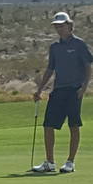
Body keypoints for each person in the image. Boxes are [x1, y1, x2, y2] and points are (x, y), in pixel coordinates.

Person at [32, 11, 93, 173]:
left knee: (73, 125)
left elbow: (88, 67)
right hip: (58, 89)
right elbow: (50, 69)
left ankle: (70, 162)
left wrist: (84, 87)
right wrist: (39, 90)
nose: (59, 29)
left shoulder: (79, 45)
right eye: (56, 26)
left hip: (75, 90)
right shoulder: (55, 47)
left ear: (69, 26)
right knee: (48, 125)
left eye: (62, 26)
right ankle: (49, 162)